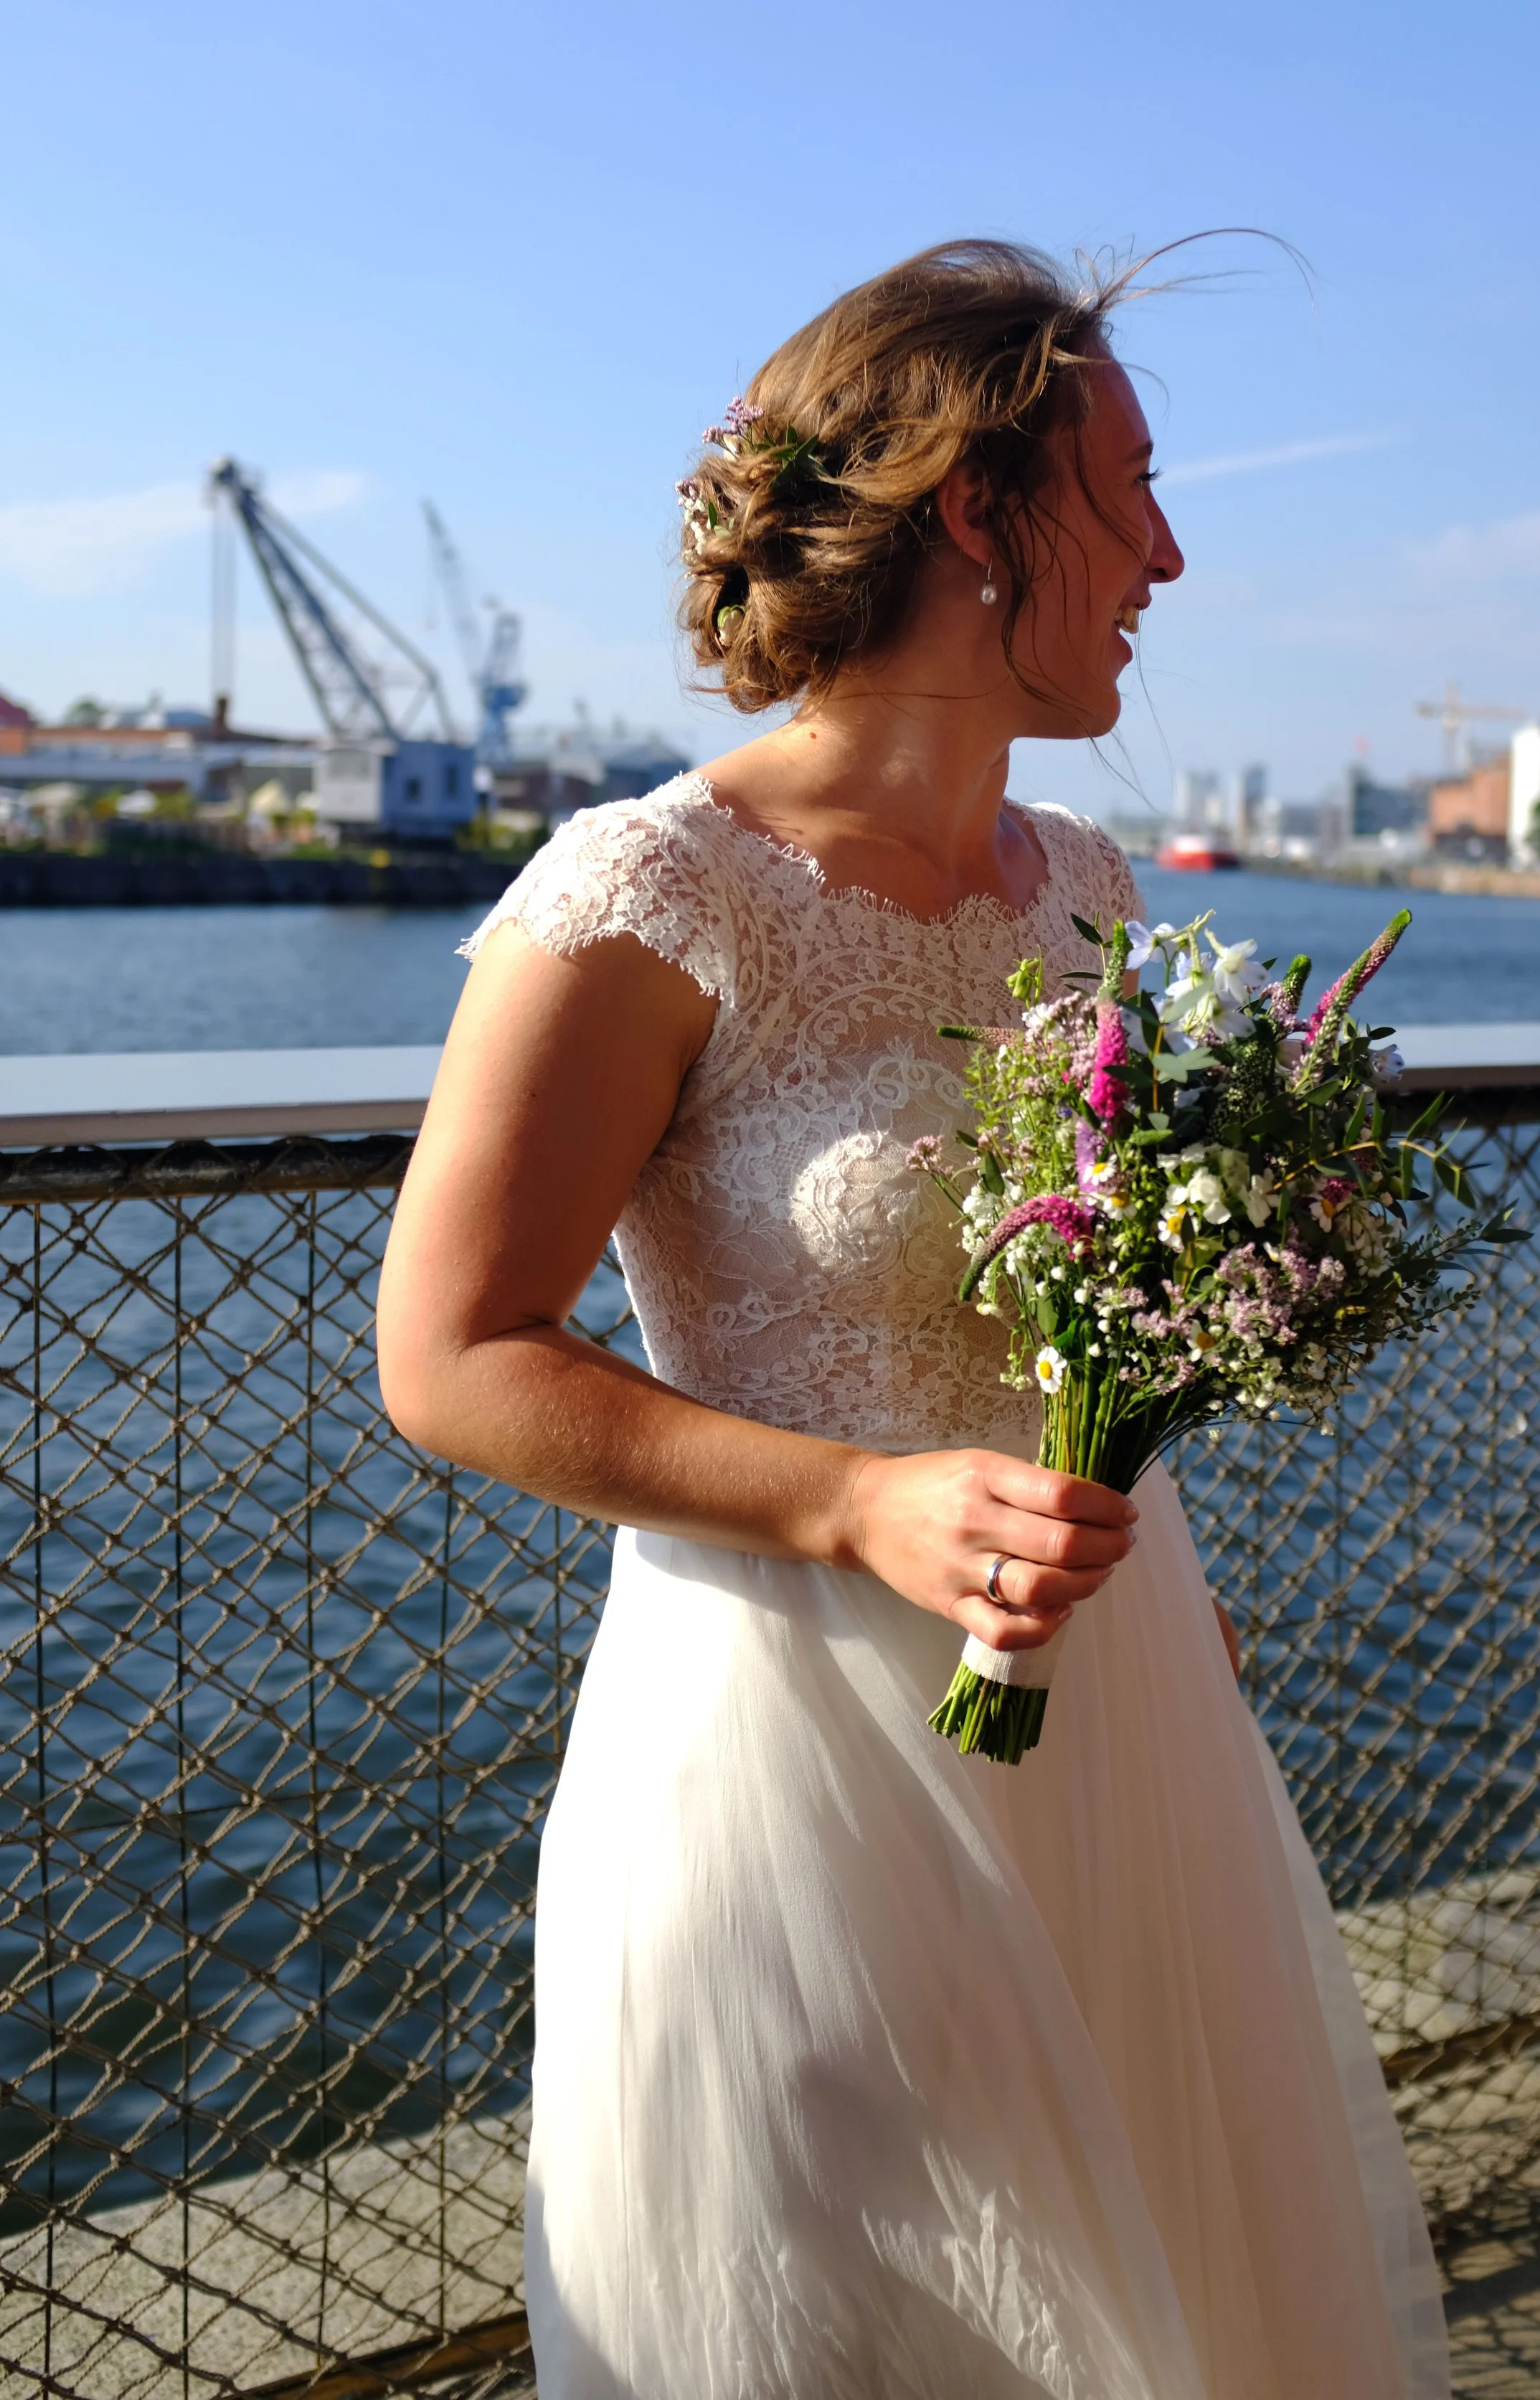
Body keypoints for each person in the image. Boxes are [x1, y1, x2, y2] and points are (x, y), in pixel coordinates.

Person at [377, 240, 1448, 2400]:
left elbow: (1090, 1272)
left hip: (1114, 1710)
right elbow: (453, 1352)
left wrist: (1122, 1474)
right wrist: (864, 1501)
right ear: (977, 510)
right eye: (1127, 486)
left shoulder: (1088, 886)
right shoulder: (645, 891)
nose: (1167, 545)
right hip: (779, 1765)